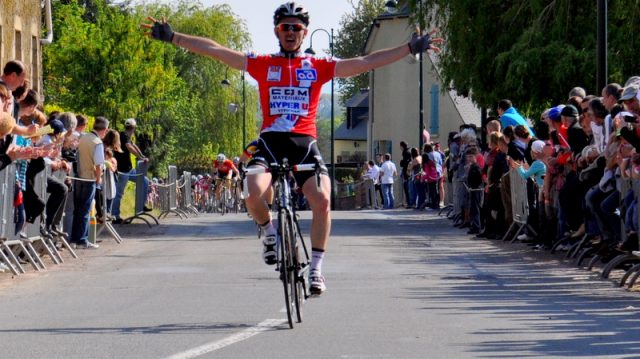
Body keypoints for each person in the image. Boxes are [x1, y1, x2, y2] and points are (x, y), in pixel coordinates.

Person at [143, 1, 442, 295]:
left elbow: (365, 63)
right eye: (285, 27)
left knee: (323, 200)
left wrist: (408, 48)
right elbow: (218, 51)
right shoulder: (263, 64)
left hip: (304, 144)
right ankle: (270, 233)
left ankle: (316, 268)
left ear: (304, 32)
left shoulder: (318, 66)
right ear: (277, 31)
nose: (290, 32)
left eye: (296, 28)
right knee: (250, 190)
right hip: (271, 143)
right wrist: (173, 37)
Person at [70, 117, 109, 249]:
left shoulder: (83, 137)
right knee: (85, 210)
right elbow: (99, 164)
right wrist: (98, 179)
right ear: (105, 130)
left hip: (78, 177)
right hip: (89, 179)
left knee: (77, 210)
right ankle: (82, 239)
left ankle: (74, 239)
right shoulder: (97, 142)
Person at [112, 118, 151, 224]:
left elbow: (134, 145)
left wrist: (142, 156)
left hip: (129, 169)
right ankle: (115, 216)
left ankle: (141, 206)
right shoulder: (123, 136)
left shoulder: (127, 136)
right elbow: (129, 147)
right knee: (119, 193)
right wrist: (140, 157)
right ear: (133, 128)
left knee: (145, 181)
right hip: (122, 170)